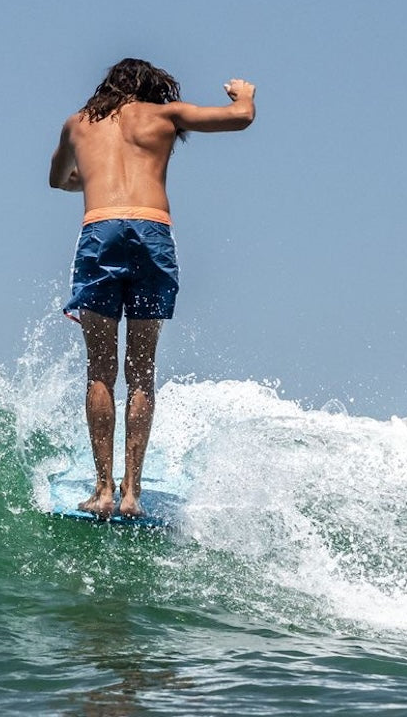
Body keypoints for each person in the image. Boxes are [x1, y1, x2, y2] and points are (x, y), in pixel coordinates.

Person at [49, 58, 256, 519]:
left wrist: (93, 175)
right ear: (153, 88)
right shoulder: (166, 115)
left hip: (100, 230)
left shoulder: (77, 124)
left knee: (100, 371)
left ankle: (102, 490)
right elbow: (241, 117)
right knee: (141, 371)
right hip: (152, 230)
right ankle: (132, 493)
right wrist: (244, 93)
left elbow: (58, 180)